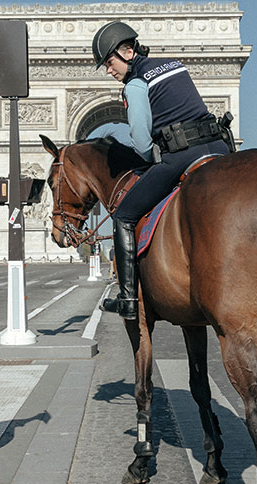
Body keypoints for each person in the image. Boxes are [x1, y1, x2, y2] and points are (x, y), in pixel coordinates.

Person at [92, 21, 232, 320]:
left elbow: (141, 139)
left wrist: (149, 157)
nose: (108, 71)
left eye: (109, 62)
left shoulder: (135, 83)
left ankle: (128, 298)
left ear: (128, 51)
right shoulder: (172, 64)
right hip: (220, 149)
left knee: (124, 216)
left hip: (182, 156)